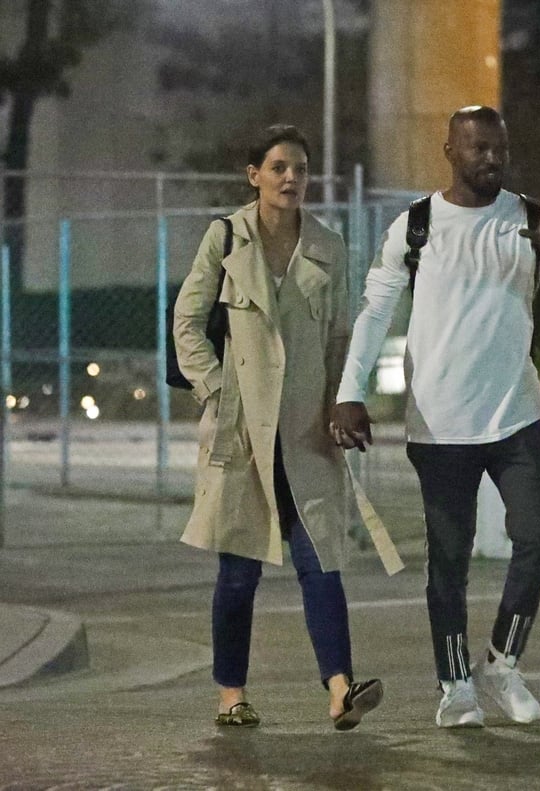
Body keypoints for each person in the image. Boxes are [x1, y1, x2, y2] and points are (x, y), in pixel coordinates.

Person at [331, 105, 540, 728]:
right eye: (478, 148)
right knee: (448, 562)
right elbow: (374, 312)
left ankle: (502, 667)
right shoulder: (416, 226)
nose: (491, 159)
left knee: (536, 539)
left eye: (499, 149)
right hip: (440, 425)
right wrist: (352, 391)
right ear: (449, 149)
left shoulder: (532, 219)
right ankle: (454, 687)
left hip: (518, 417)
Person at [173, 124, 382, 730]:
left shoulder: (329, 245)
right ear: (254, 175)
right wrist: (217, 393)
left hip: (307, 429)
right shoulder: (225, 238)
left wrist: (345, 400)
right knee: (239, 572)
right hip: (239, 432)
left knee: (321, 558)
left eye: (301, 169)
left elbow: (341, 334)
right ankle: (230, 694)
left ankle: (340, 689)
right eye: (279, 167)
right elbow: (187, 324)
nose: (292, 178)